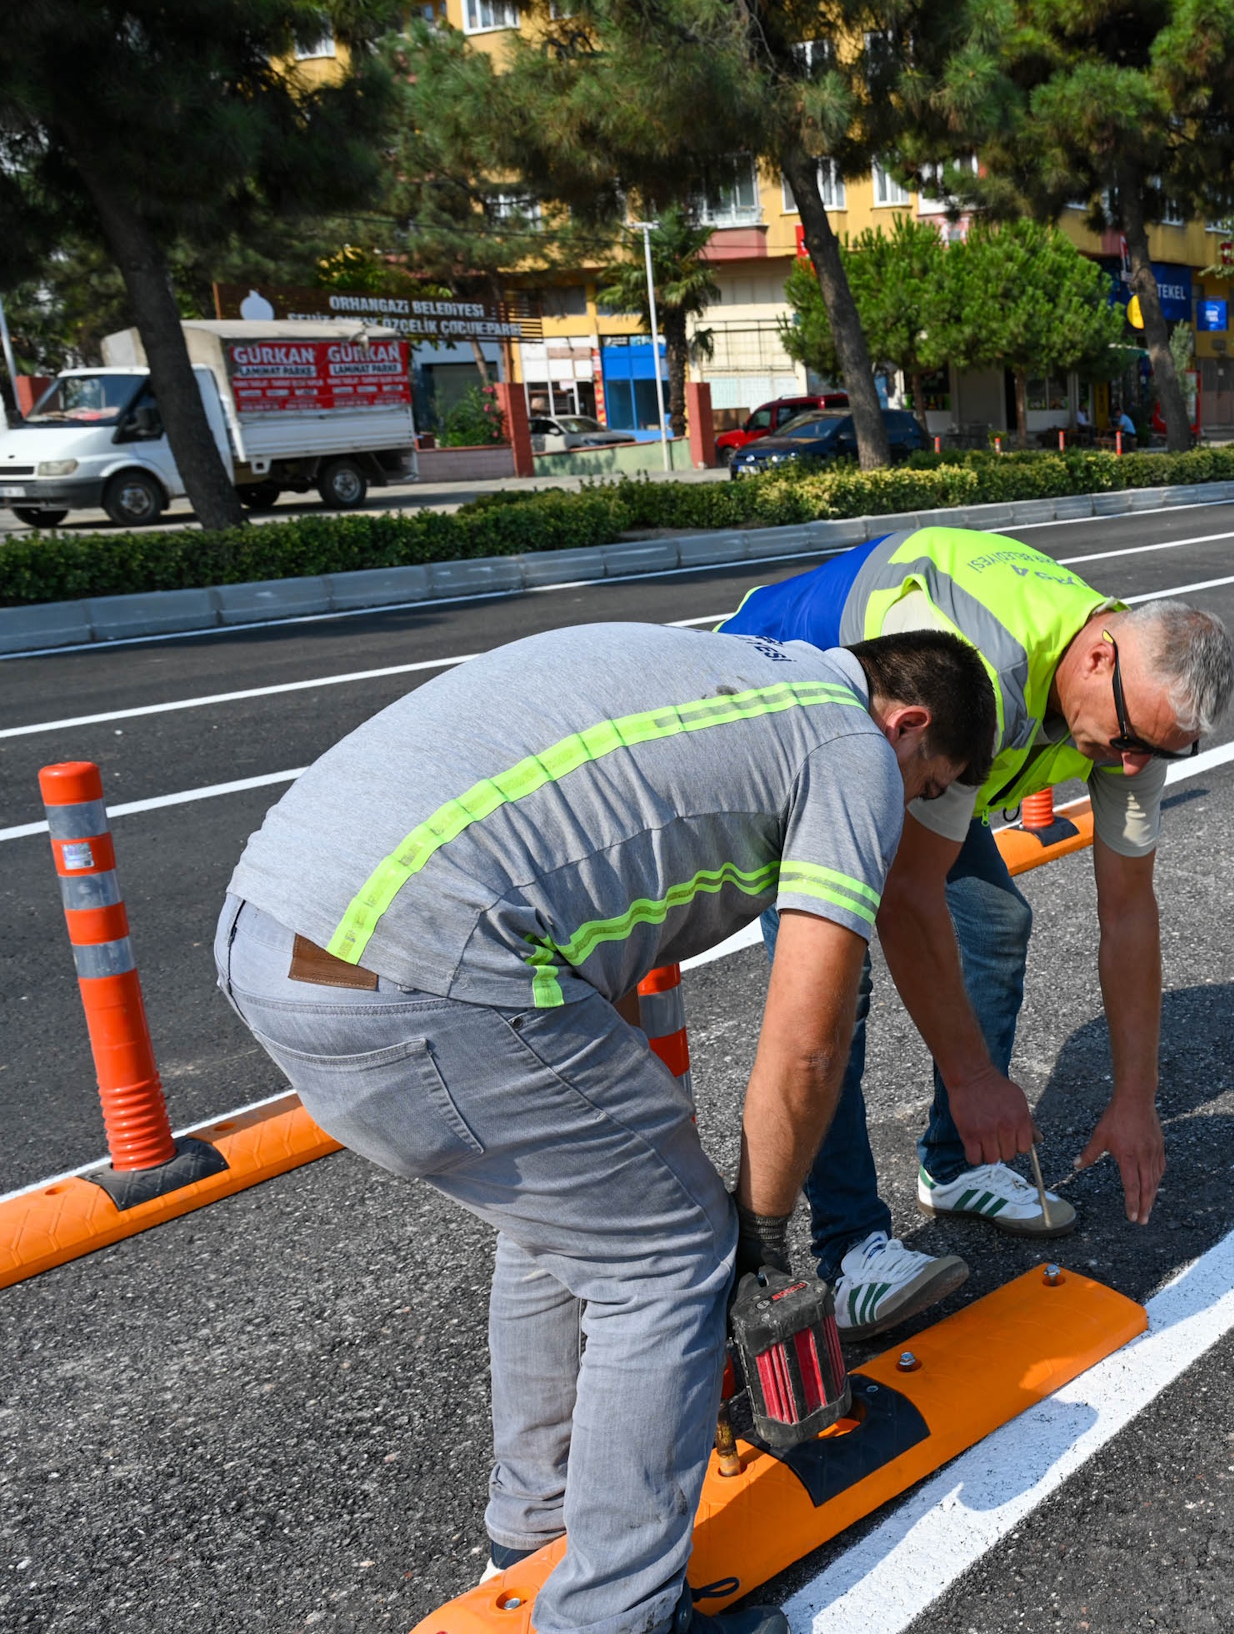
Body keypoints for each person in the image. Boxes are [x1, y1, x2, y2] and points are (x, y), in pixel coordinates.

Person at [216, 624, 996, 1634]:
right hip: (417, 964)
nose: (914, 808)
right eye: (929, 784)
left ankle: (535, 1529)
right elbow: (808, 1046)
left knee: (579, 1209)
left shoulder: (729, 670)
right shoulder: (851, 749)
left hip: (270, 932)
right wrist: (758, 1238)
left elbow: (587, 893)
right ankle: (616, 1614)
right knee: (672, 1251)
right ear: (908, 724)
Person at [719, 528, 1234, 1335]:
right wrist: (973, 1077)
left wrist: (1135, 1098)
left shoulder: (1140, 707)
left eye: (1162, 752)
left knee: (994, 919)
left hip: (918, 751)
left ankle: (956, 1165)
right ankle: (848, 1250)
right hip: (790, 708)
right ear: (1098, 657)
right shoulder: (982, 673)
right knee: (831, 985)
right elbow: (905, 898)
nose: (1132, 766)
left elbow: (1129, 910)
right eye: (1130, 744)